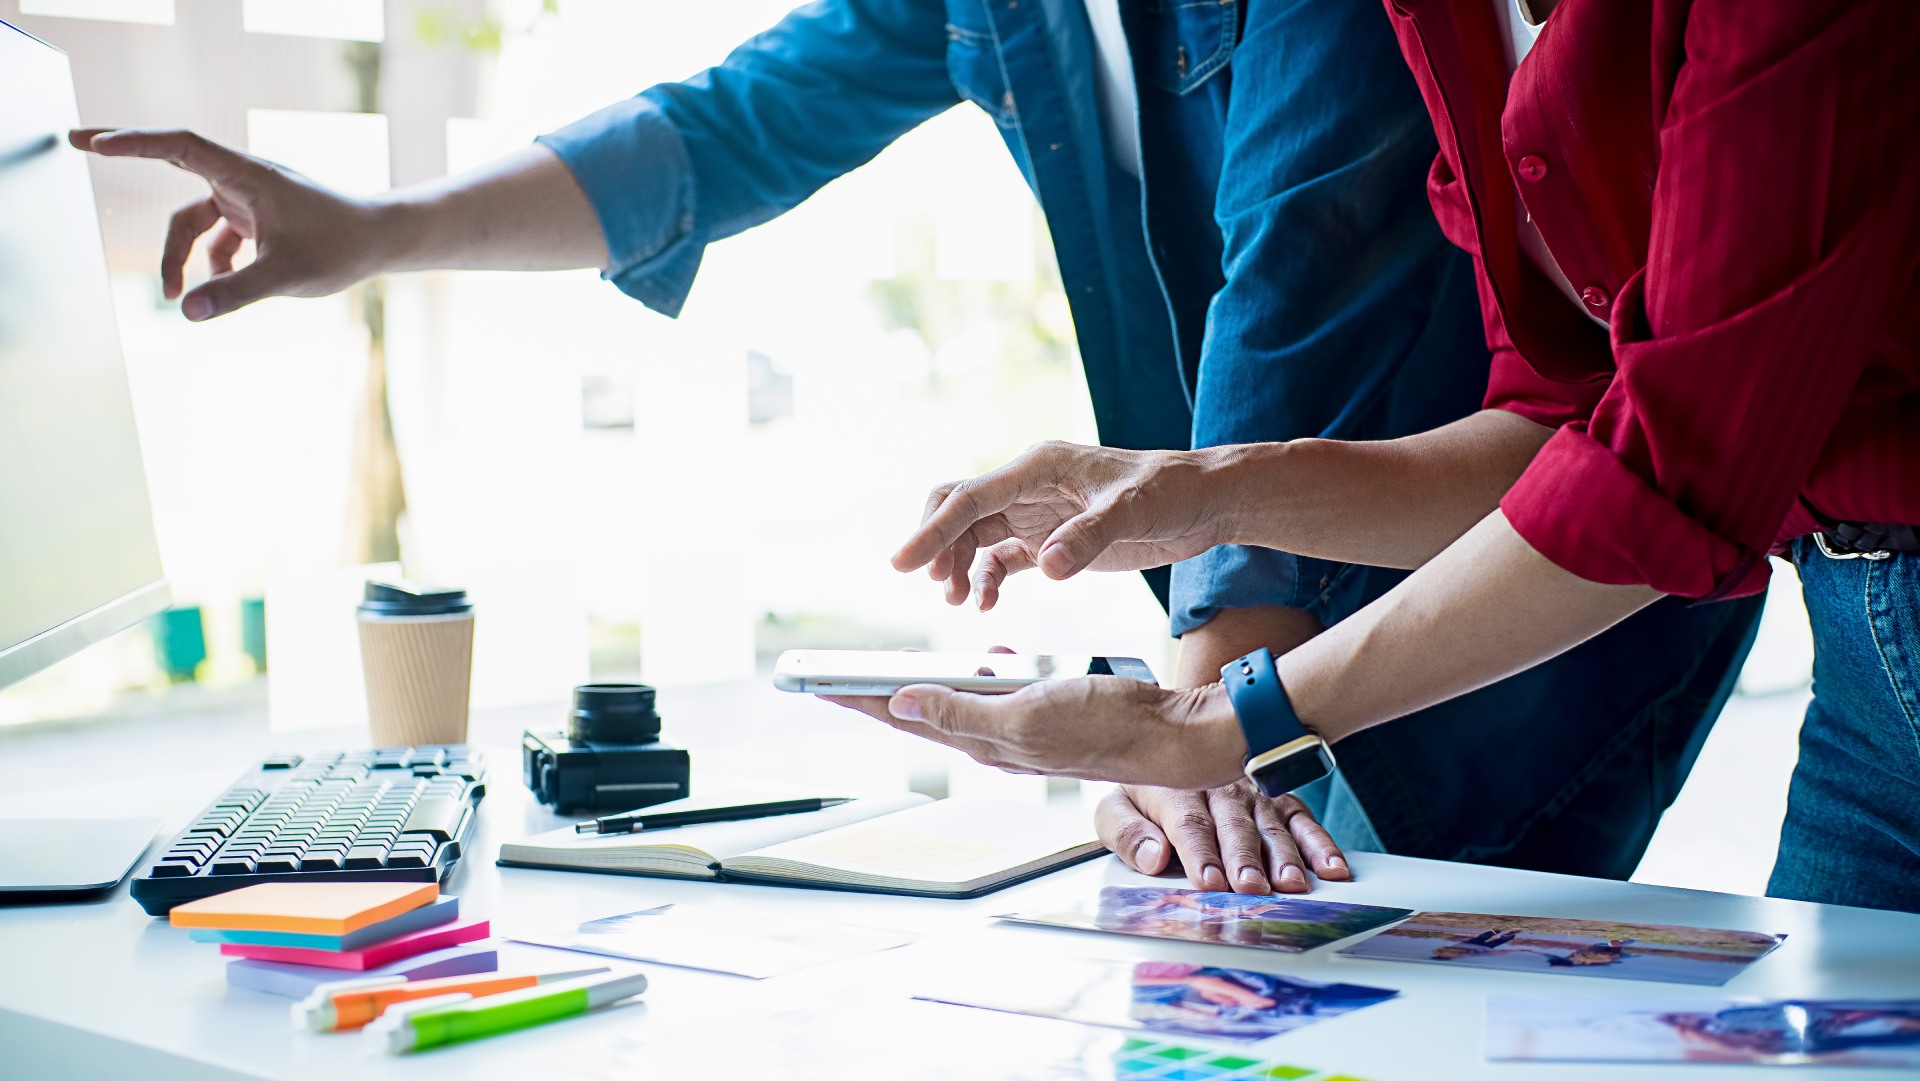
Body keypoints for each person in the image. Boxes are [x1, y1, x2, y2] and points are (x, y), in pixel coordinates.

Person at [78, 0, 1756, 894]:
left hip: (1509, 593)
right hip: (1236, 612)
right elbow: (723, 127)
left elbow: (1291, 271)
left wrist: (1202, 701)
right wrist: (372, 228)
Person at [832, 0, 1920, 915]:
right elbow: (1560, 412)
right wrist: (1199, 498)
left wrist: (1216, 724)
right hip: (1863, 655)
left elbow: (1678, 465)